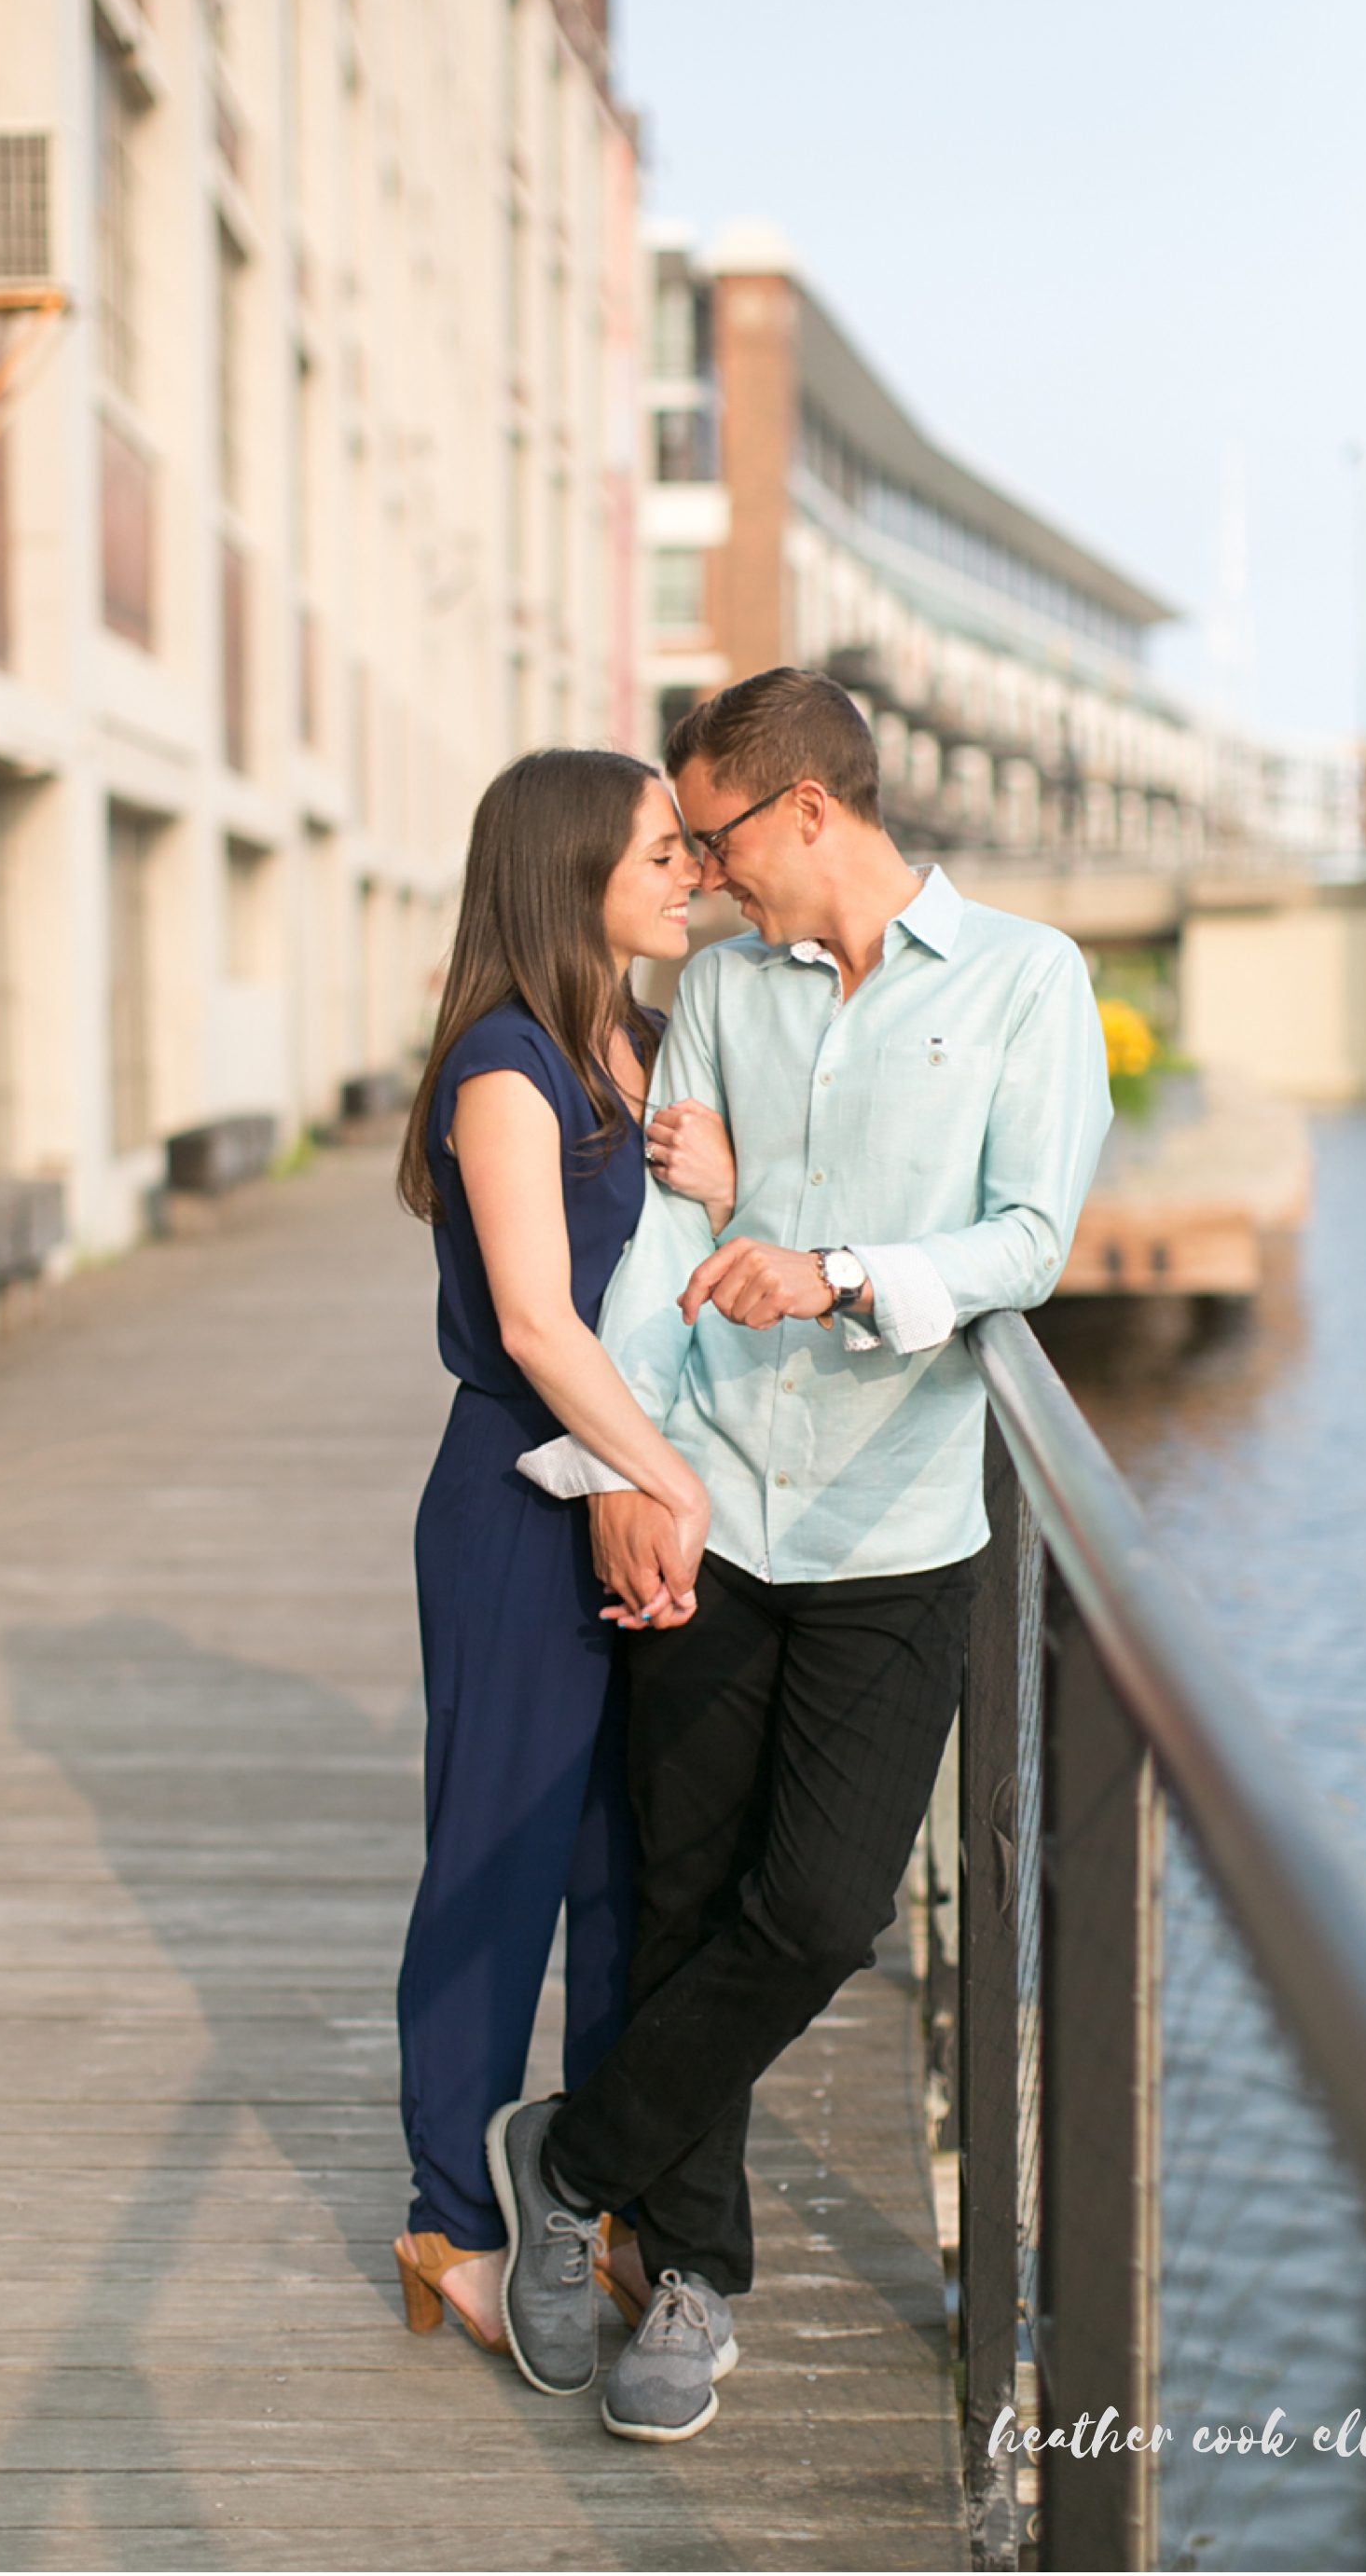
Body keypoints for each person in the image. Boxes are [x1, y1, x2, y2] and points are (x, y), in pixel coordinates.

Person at [489, 665, 1113, 2444]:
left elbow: (1030, 1235)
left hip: (893, 1525)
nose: (701, 872)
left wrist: (840, 1271)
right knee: (686, 1895)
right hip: (714, 1500)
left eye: (716, 835)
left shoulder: (1025, 981)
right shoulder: (722, 995)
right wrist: (633, 1461)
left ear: (810, 813)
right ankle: (690, 2277)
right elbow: (665, 1254)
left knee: (823, 1909)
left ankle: (571, 2144)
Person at [392, 746, 733, 2358]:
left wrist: (735, 1186)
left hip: (626, 1486)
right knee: (499, 1861)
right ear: (568, 868)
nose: (693, 874)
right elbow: (534, 1320)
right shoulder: (504, 1063)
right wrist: (662, 1475)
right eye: (663, 851)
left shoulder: (647, 1045)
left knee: (626, 1872)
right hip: (516, 1505)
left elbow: (690, 1268)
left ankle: (589, 2186)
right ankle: (450, 2211)